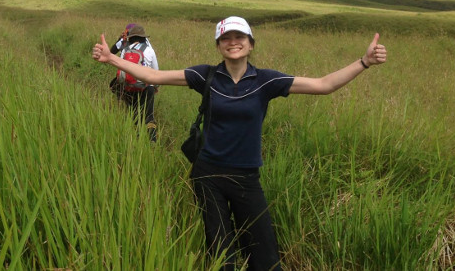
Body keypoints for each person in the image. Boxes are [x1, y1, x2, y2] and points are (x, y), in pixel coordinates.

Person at [92, 16, 387, 270]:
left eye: (240, 37)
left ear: (251, 43)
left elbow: (324, 85)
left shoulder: (266, 81)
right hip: (207, 175)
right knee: (221, 253)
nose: (233, 42)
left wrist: (364, 62)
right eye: (226, 38)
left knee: (265, 255)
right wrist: (112, 58)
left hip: (247, 178)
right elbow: (153, 75)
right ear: (219, 45)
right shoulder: (205, 75)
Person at [109, 23, 160, 142]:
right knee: (149, 116)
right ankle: (152, 141)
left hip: (128, 87)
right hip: (147, 88)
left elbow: (121, 72)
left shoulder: (125, 50)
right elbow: (156, 72)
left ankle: (136, 138)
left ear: (130, 37)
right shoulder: (149, 50)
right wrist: (155, 87)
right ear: (143, 37)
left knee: (134, 113)